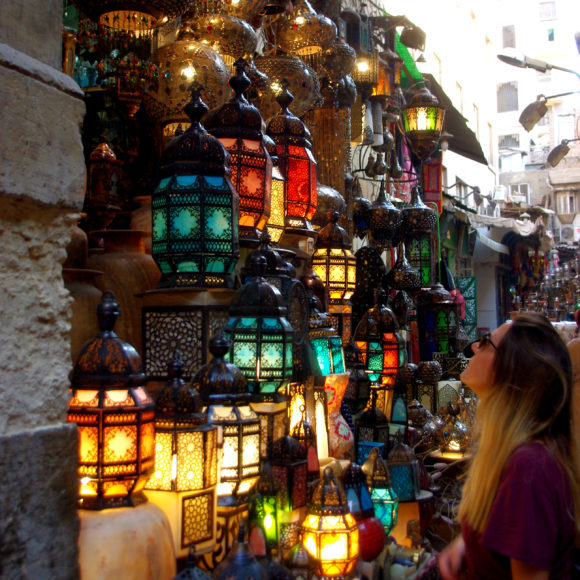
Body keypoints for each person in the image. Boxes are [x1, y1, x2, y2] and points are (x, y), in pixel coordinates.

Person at [439, 312, 579, 580]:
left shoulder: (529, 469)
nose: (476, 347)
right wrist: (467, 545)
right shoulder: (514, 455)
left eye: (486, 342)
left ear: (512, 371)